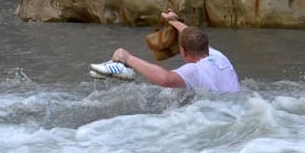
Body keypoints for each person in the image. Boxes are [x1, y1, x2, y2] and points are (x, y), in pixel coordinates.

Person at [90, 10, 240, 93]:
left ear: (183, 51)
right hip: (237, 107)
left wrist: (128, 58)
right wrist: (173, 20)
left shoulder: (195, 71)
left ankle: (122, 65)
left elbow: (165, 79)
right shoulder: (219, 57)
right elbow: (190, 32)